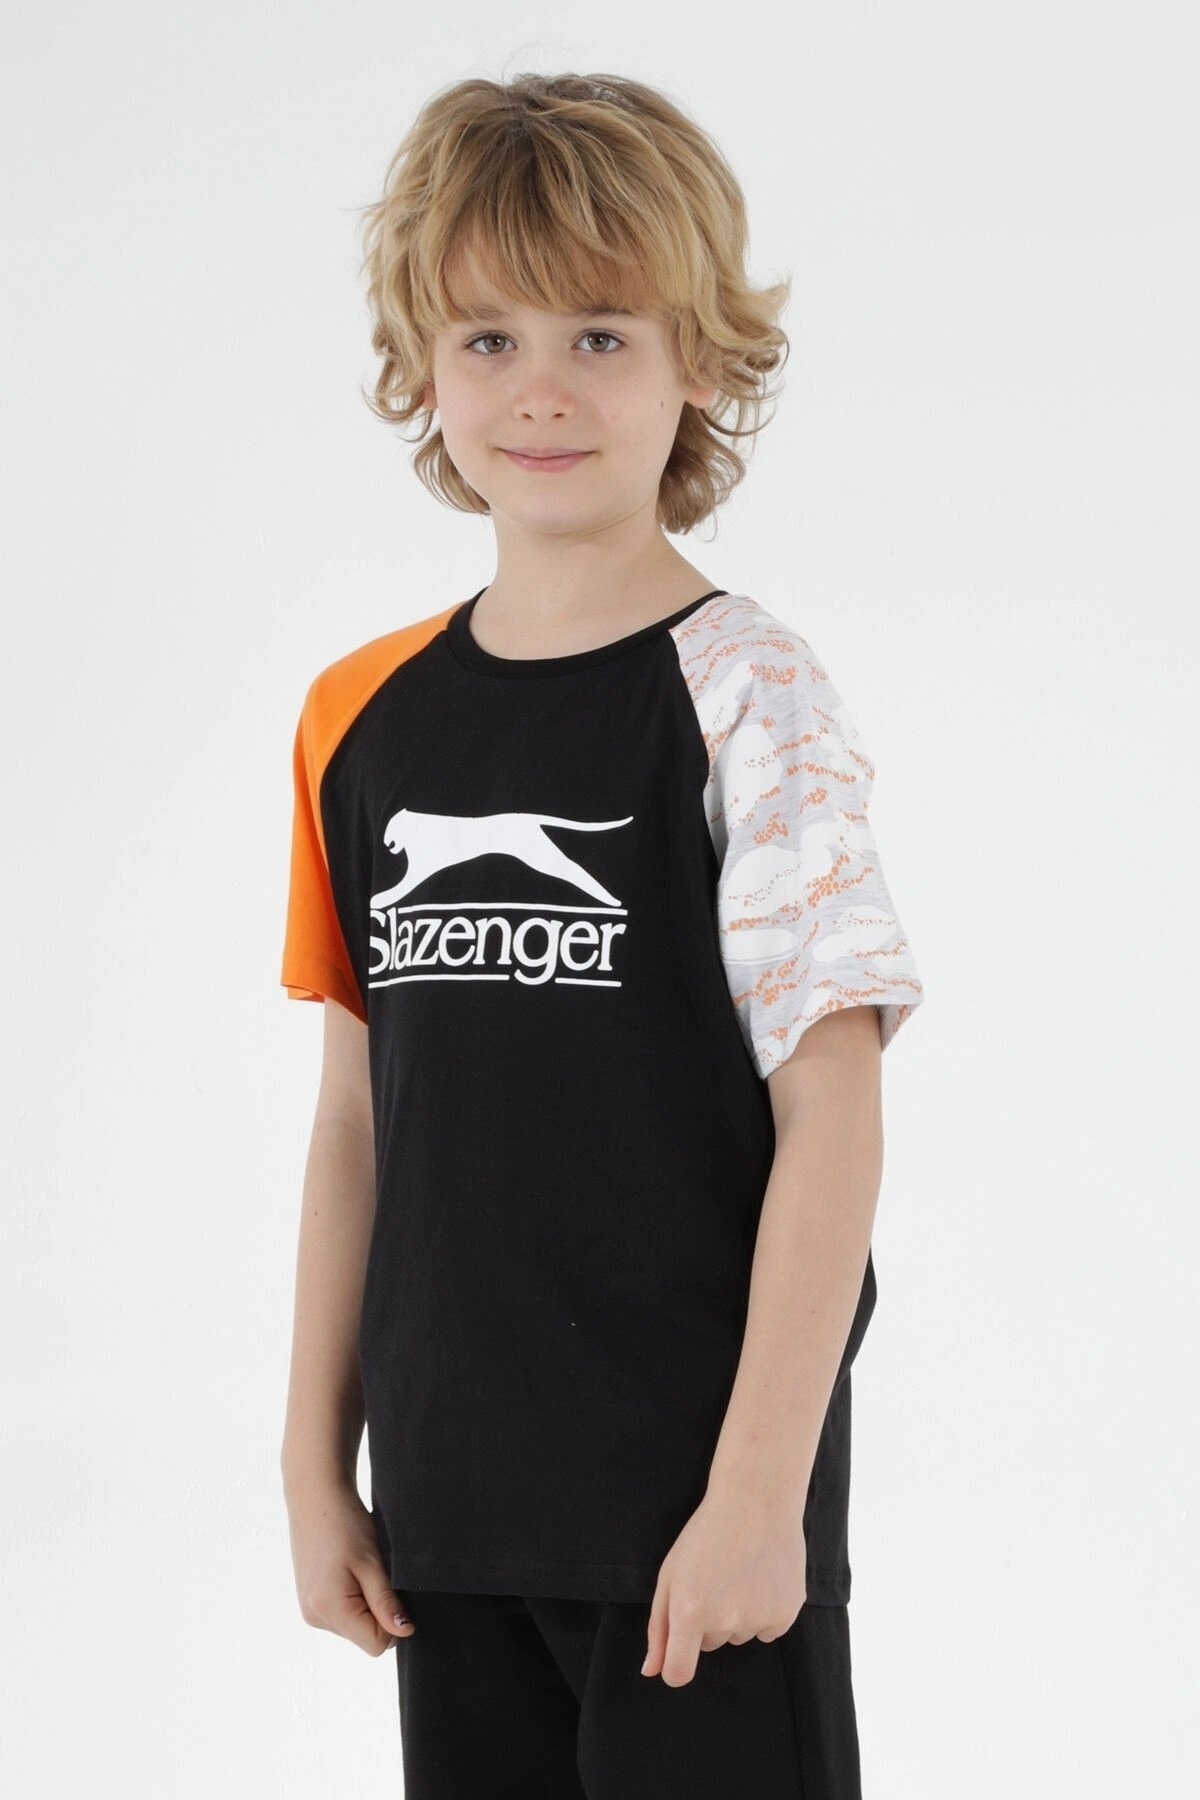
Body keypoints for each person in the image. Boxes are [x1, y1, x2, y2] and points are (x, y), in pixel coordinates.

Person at [278, 69, 925, 1799]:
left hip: (693, 1529)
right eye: (487, 338)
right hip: (447, 1517)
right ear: (421, 367)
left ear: (696, 359)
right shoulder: (359, 718)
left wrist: (759, 1494)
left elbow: (835, 1112)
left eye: (600, 335)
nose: (540, 389)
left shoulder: (749, 694)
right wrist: (312, 1464)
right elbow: (355, 1123)